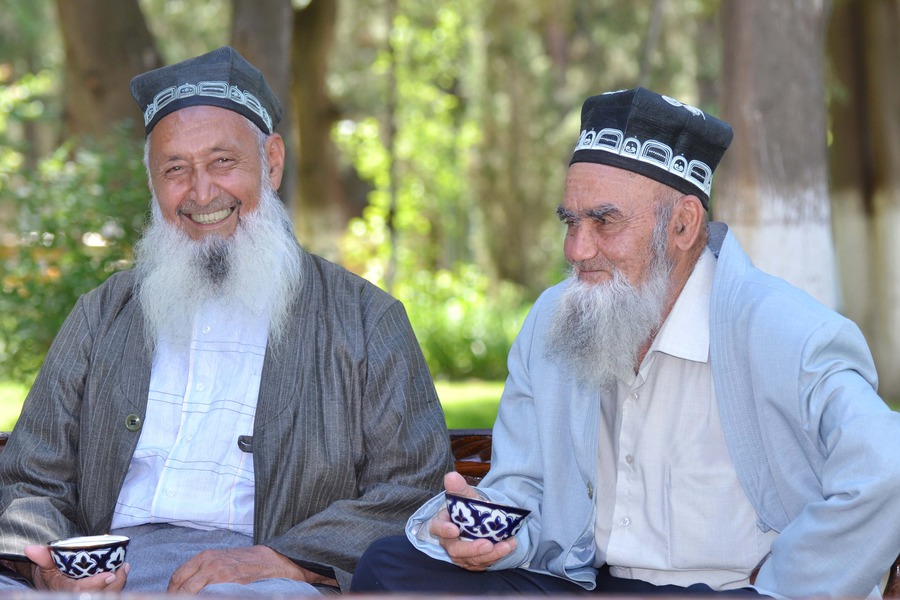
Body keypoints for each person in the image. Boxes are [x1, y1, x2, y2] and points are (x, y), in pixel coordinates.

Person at [351, 87, 900, 598]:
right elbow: (525, 491)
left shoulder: (784, 329)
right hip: (587, 583)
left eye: (604, 222)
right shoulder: (554, 319)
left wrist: (784, 585)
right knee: (388, 567)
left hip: (727, 593)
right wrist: (491, 535)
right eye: (571, 222)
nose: (577, 249)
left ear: (683, 225)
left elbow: (887, 467)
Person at [0, 46, 452, 595]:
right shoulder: (102, 313)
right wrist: (50, 567)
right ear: (152, 183)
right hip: (105, 574)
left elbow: (414, 491)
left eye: (222, 162)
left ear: (272, 163)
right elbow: (30, 479)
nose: (201, 192)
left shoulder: (365, 319)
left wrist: (287, 560)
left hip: (264, 572)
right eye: (175, 169)